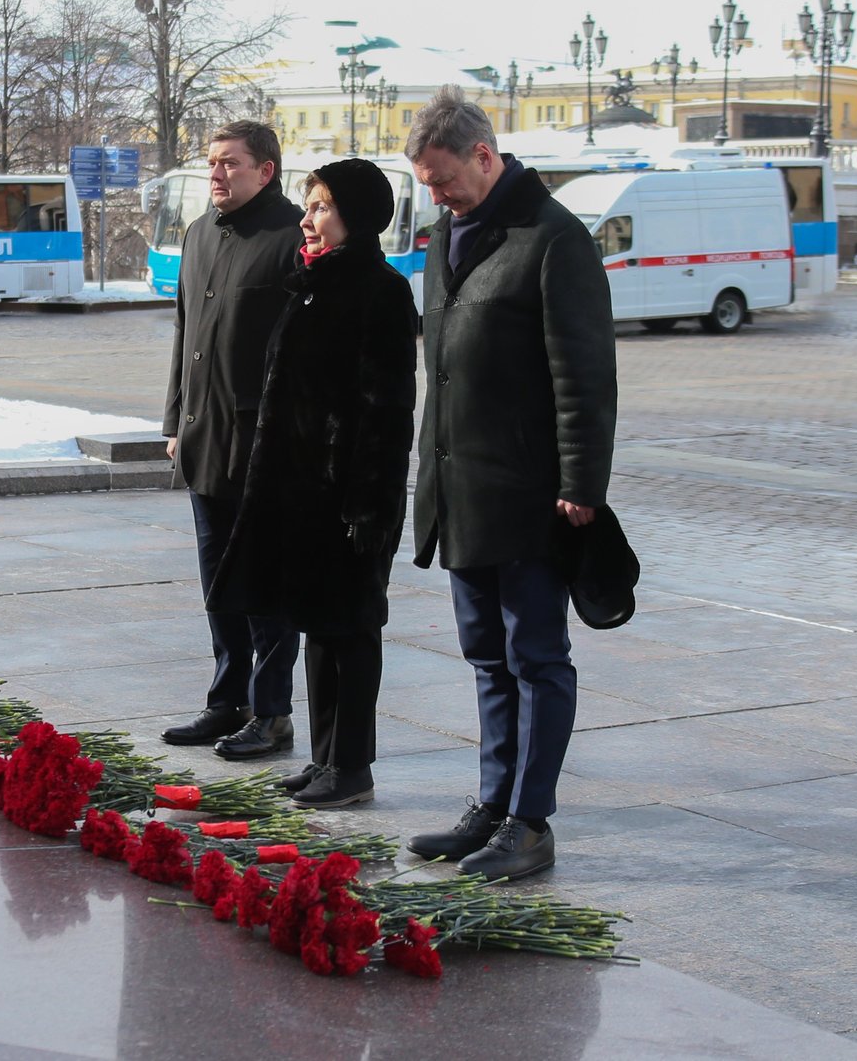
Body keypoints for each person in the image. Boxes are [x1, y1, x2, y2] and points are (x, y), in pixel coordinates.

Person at [402, 85, 617, 880]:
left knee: (537, 657)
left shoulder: (554, 239)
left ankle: (531, 822)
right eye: (425, 181)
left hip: (531, 493)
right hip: (460, 492)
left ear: (484, 156)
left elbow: (585, 375)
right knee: (487, 656)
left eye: (443, 177)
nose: (435, 193)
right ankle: (493, 806)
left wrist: (581, 484)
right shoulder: (442, 238)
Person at [206, 159, 418, 808]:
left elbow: (387, 411)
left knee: (350, 634)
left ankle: (351, 765)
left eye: (322, 206)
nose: (308, 218)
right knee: (321, 631)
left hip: (348, 502)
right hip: (304, 499)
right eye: (310, 205)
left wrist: (368, 501)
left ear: (356, 216)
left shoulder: (379, 290)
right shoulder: (313, 285)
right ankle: (326, 757)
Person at [159, 120, 305, 760]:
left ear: (265, 170)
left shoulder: (292, 236)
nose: (215, 174)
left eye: (230, 164)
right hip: (202, 438)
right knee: (217, 579)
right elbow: (184, 333)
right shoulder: (197, 235)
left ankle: (272, 713)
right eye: (212, 163)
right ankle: (228, 700)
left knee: (268, 585)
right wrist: (173, 420)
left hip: (264, 448)